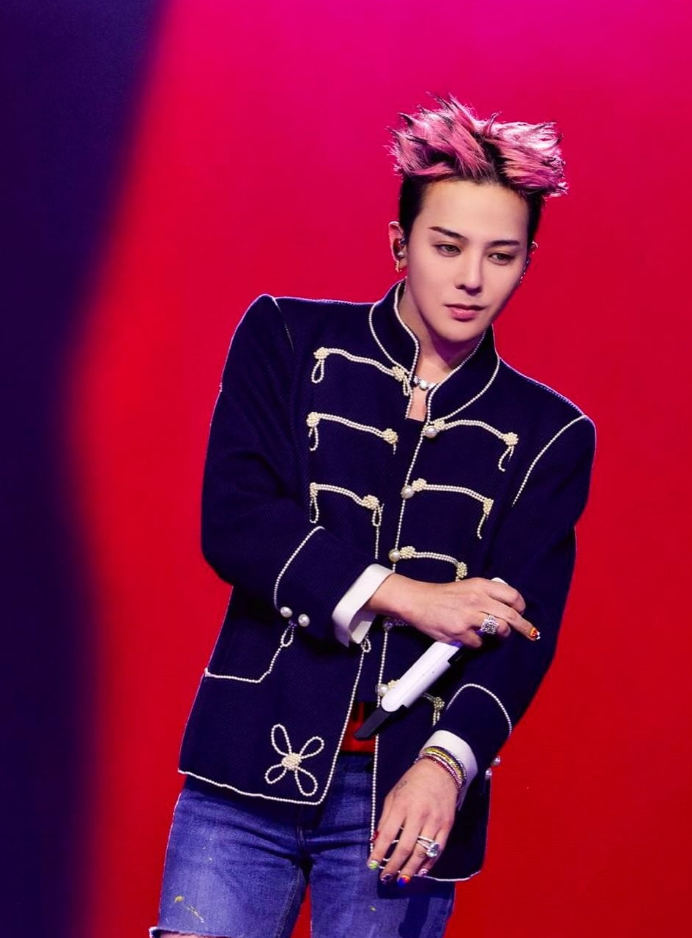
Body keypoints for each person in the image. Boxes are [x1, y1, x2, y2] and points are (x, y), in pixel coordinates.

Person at [150, 94, 596, 938]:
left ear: (528, 261)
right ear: (400, 244)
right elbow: (238, 521)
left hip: (406, 792)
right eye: (447, 246)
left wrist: (447, 765)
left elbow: (523, 635)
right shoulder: (284, 339)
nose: (472, 278)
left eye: (501, 255)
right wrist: (411, 596)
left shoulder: (552, 434)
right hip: (244, 766)